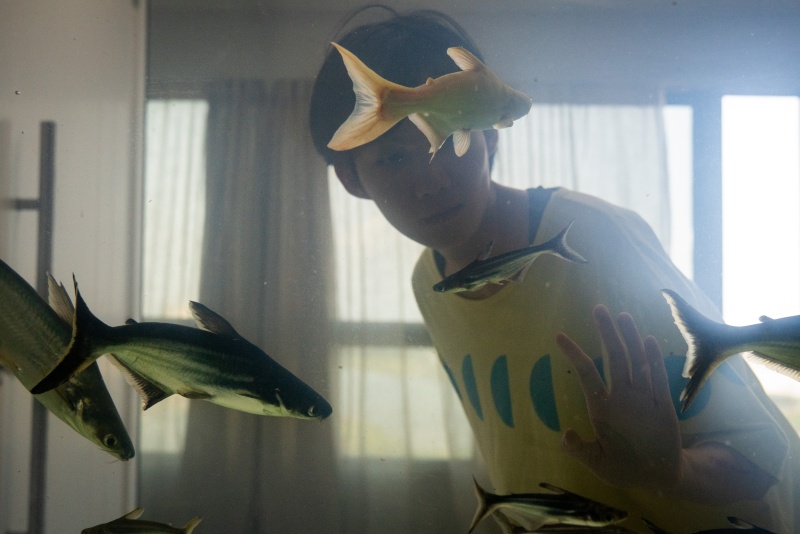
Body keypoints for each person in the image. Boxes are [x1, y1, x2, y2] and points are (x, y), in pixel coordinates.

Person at [309, 8, 799, 533]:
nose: (433, 183)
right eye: (394, 160)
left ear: (491, 136)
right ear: (352, 180)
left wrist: (671, 472)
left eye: (450, 138)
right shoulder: (428, 283)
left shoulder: (594, 238)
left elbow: (765, 461)